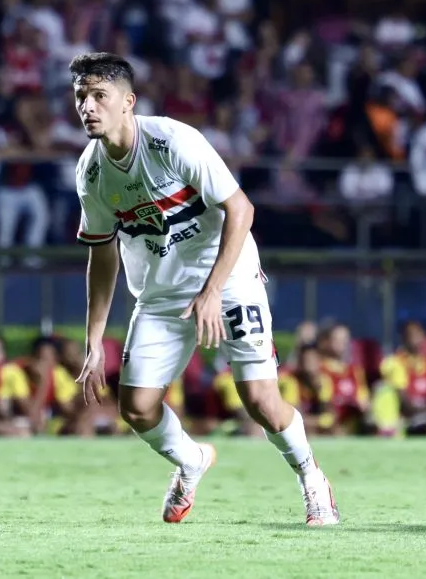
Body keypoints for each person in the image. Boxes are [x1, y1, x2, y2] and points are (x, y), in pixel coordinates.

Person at [70, 52, 339, 526]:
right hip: (160, 294)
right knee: (136, 407)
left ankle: (312, 479)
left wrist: (212, 291)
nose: (87, 106)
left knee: (260, 400)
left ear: (128, 102)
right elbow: (102, 252)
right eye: (81, 97)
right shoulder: (91, 172)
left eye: (99, 96)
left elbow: (242, 210)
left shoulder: (174, 142)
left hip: (229, 277)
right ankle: (191, 462)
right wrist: (93, 340)